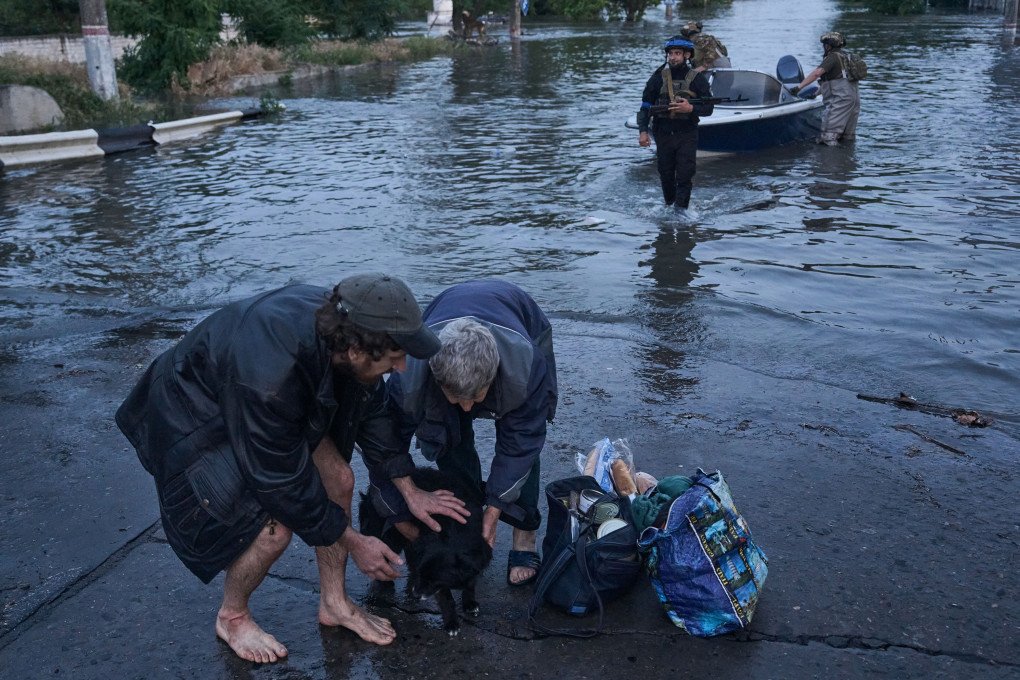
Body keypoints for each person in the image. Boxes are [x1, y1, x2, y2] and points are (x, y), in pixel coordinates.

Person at [115, 274, 470, 664]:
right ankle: (232, 616)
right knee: (272, 529)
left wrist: (409, 489)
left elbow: (377, 413)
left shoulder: (348, 329)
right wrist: (355, 542)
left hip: (271, 403)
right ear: (355, 350)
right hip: (195, 413)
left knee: (340, 478)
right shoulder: (269, 378)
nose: (402, 367)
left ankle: (334, 602)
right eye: (394, 357)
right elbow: (280, 483)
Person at [371, 280, 557, 587]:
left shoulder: (526, 367)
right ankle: (469, 518)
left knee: (523, 440)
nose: (468, 408)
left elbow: (521, 441)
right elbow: (385, 442)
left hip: (521, 318)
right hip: (446, 315)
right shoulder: (410, 375)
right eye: (458, 398)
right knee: (447, 434)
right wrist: (401, 502)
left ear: (494, 375)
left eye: (478, 397)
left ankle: (525, 531)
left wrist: (496, 505)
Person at [637, 36, 715, 210]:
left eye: (677, 53)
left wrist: (690, 109)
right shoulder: (657, 78)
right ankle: (669, 207)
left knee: (685, 174)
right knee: (665, 174)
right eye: (670, 54)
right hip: (662, 133)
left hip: (686, 133)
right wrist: (643, 131)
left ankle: (681, 213)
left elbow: (709, 107)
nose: (673, 57)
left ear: (687, 55)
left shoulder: (696, 79)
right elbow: (644, 107)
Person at [790, 31, 860, 146]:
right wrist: (816, 94)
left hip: (841, 100)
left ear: (828, 45)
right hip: (853, 99)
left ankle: (829, 161)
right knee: (847, 135)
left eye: (824, 45)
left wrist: (799, 87)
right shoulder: (846, 57)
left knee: (828, 135)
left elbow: (817, 73)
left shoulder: (832, 57)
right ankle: (847, 159)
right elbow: (836, 81)